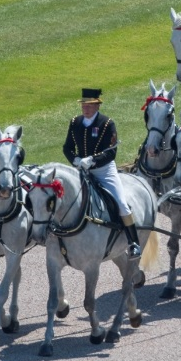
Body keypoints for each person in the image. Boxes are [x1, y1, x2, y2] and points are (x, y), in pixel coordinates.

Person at [62, 88, 141, 260]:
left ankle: (133, 243)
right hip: (81, 170)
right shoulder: (75, 122)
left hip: (104, 171)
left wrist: (92, 160)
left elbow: (111, 152)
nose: (85, 108)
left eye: (89, 105)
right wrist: (75, 160)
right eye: (84, 105)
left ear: (97, 106)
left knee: (121, 202)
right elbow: (67, 147)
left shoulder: (107, 124)